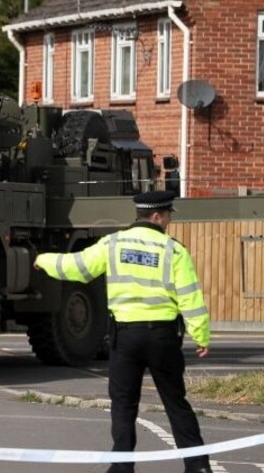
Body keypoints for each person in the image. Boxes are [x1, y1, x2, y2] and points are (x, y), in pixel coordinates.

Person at [33, 190, 212, 473]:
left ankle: (122, 467)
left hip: (125, 337)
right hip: (163, 337)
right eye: (166, 216)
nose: (167, 222)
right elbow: (190, 297)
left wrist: (43, 260)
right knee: (176, 403)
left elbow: (77, 267)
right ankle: (198, 465)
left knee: (124, 404)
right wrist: (201, 335)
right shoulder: (174, 250)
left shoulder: (112, 244)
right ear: (156, 216)